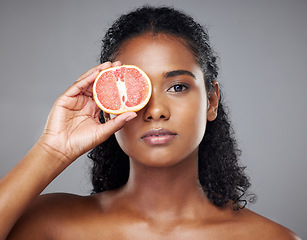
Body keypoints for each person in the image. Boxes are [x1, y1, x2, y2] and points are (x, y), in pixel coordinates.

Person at [0, 6, 300, 240]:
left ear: (211, 100)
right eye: (135, 90)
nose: (155, 111)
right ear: (107, 105)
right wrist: (52, 150)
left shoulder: (270, 237)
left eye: (178, 87)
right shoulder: (50, 224)